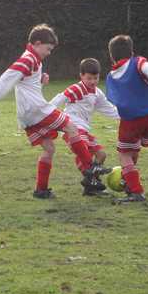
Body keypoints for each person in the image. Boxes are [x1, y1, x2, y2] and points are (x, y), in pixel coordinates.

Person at [0, 24, 111, 199]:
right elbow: (9, 75)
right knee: (71, 127)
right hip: (37, 110)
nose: (49, 53)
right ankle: (90, 168)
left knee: (49, 149)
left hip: (26, 116)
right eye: (48, 49)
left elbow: (25, 86)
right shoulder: (29, 59)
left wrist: (40, 82)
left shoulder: (34, 61)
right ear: (37, 43)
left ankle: (41, 190)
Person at [104, 35, 148, 203]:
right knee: (134, 149)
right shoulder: (138, 62)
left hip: (132, 119)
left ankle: (136, 191)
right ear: (132, 52)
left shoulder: (112, 76)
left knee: (124, 154)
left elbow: (115, 98)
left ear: (112, 56)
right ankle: (130, 179)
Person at [50, 58, 120, 195]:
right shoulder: (76, 89)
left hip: (84, 129)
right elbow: (59, 99)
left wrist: (124, 117)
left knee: (101, 155)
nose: (93, 81)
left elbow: (107, 108)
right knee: (84, 152)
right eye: (89, 78)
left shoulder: (97, 93)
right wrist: (45, 114)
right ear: (81, 76)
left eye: (96, 78)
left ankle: (90, 186)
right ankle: (92, 182)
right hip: (71, 128)